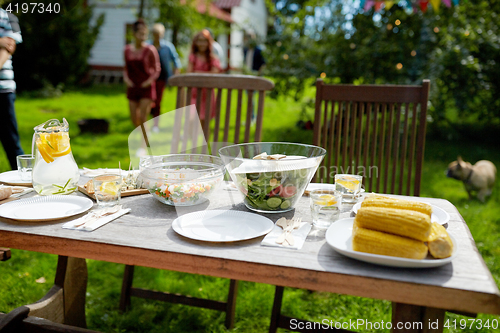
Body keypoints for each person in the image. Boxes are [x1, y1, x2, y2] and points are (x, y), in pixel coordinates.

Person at [123, 19, 160, 130]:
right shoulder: (127, 50)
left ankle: (143, 145)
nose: (143, 36)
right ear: (134, 34)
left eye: (145, 34)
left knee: (143, 117)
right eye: (140, 34)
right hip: (133, 87)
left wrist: (149, 81)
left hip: (146, 88)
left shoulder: (150, 49)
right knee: (134, 118)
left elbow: (157, 69)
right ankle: (145, 136)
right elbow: (125, 68)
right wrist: (126, 79)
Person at [0, 9, 24, 170]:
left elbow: (8, 46)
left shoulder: (9, 17)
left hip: (3, 90)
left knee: (11, 143)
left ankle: (24, 184)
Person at [149, 23, 182, 133]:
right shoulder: (148, 46)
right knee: (148, 101)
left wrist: (175, 75)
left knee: (157, 101)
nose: (157, 36)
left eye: (159, 34)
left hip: (161, 78)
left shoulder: (167, 47)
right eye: (155, 34)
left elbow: (176, 61)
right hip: (149, 78)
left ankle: (155, 124)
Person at [187, 30, 221, 127]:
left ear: (208, 42)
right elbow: (189, 74)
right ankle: (193, 139)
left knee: (204, 122)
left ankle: (202, 141)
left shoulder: (213, 58)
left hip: (207, 94)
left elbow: (215, 73)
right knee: (192, 119)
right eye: (199, 41)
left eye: (204, 41)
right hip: (194, 93)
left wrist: (197, 73)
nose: (202, 44)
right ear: (195, 42)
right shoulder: (193, 57)